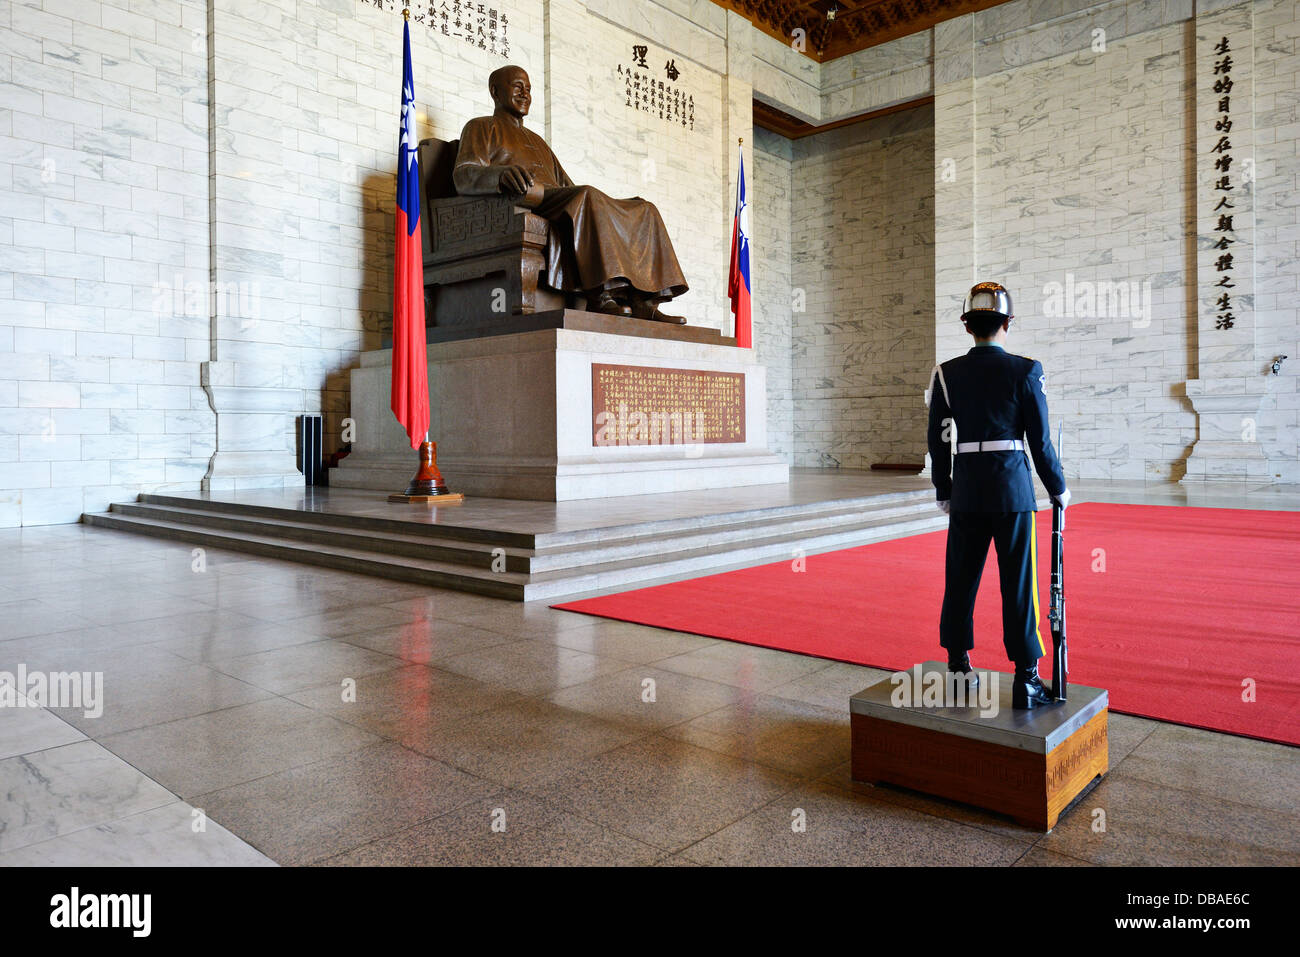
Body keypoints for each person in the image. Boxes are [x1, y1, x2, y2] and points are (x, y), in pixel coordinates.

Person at [926, 281, 1070, 709]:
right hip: (1012, 492)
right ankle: (1026, 679)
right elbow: (1040, 441)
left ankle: (957, 667)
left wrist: (944, 488)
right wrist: (1058, 487)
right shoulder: (1026, 370)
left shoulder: (947, 373)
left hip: (968, 491)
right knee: (1019, 585)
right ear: (1008, 323)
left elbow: (939, 440)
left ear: (967, 325)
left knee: (960, 580)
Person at [452, 65, 689, 324]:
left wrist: (611, 208)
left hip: (557, 199)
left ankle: (643, 300)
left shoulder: (538, 141)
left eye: (528, 89)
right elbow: (463, 175)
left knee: (644, 209)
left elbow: (568, 186)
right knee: (588, 195)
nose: (525, 94)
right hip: (526, 200)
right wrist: (499, 175)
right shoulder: (481, 127)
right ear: (495, 92)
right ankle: (599, 295)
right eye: (517, 87)